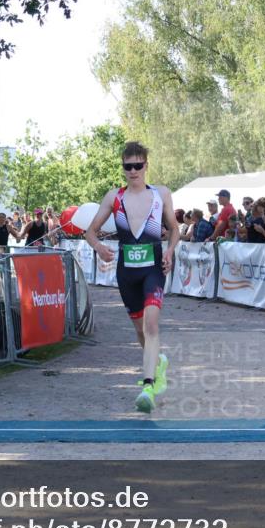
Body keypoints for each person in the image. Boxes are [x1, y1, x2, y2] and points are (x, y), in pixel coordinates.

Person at [84, 141, 178, 413]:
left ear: (146, 166)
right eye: (128, 167)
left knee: (151, 324)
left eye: (138, 165)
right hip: (126, 273)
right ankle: (157, 361)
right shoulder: (114, 197)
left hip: (153, 270)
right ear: (123, 168)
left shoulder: (161, 194)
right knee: (140, 331)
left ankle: (148, 385)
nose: (133, 171)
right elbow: (90, 232)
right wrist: (99, 247)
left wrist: (170, 251)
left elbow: (174, 229)